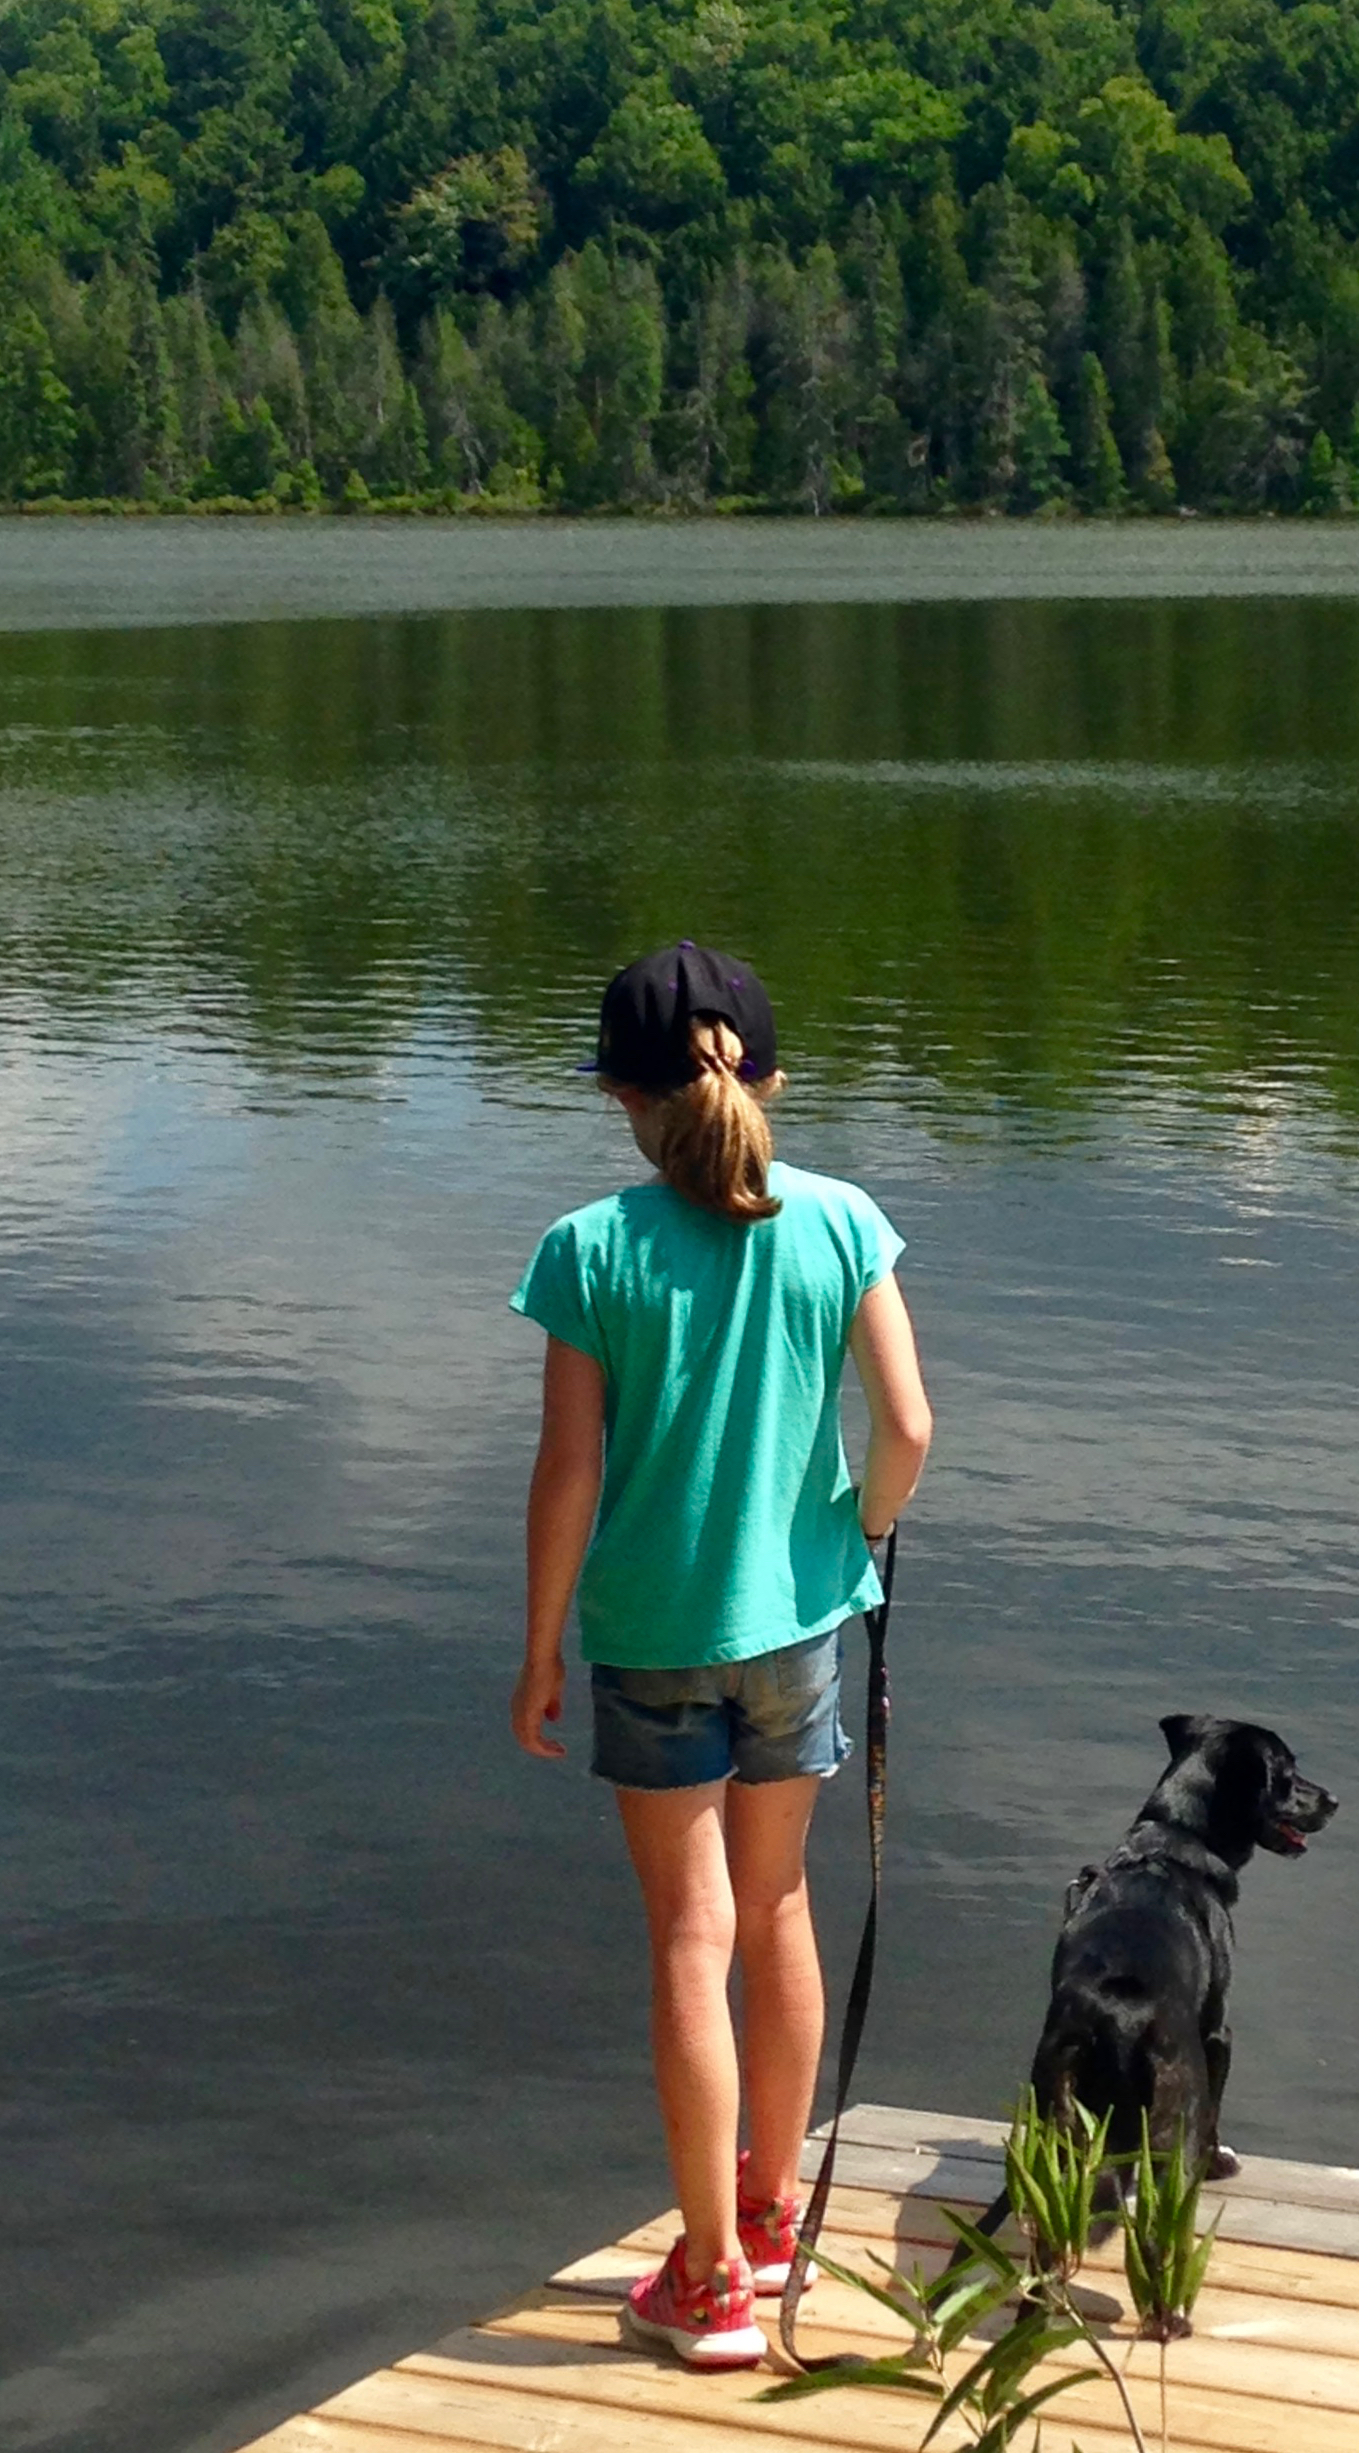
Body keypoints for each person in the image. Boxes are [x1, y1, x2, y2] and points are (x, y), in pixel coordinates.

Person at [509, 941, 933, 2372]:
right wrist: (857, 1541)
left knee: (688, 1938)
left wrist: (538, 1646)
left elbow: (568, 1469)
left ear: (622, 1097)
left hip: (649, 1637)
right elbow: (912, 1427)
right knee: (780, 1913)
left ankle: (707, 2292)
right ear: (771, 1078)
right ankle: (763, 2219)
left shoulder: (589, 1250)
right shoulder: (841, 1222)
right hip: (800, 1627)